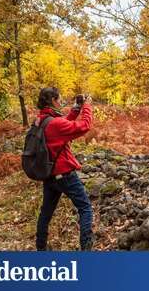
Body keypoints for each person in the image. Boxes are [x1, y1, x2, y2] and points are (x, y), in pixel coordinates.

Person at [34, 87, 94, 251]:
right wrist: (87, 106)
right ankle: (87, 250)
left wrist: (76, 108)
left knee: (45, 214)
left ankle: (40, 249)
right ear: (53, 100)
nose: (61, 102)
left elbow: (63, 125)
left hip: (49, 175)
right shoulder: (55, 123)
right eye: (59, 99)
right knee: (85, 208)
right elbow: (84, 126)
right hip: (65, 174)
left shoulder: (41, 120)